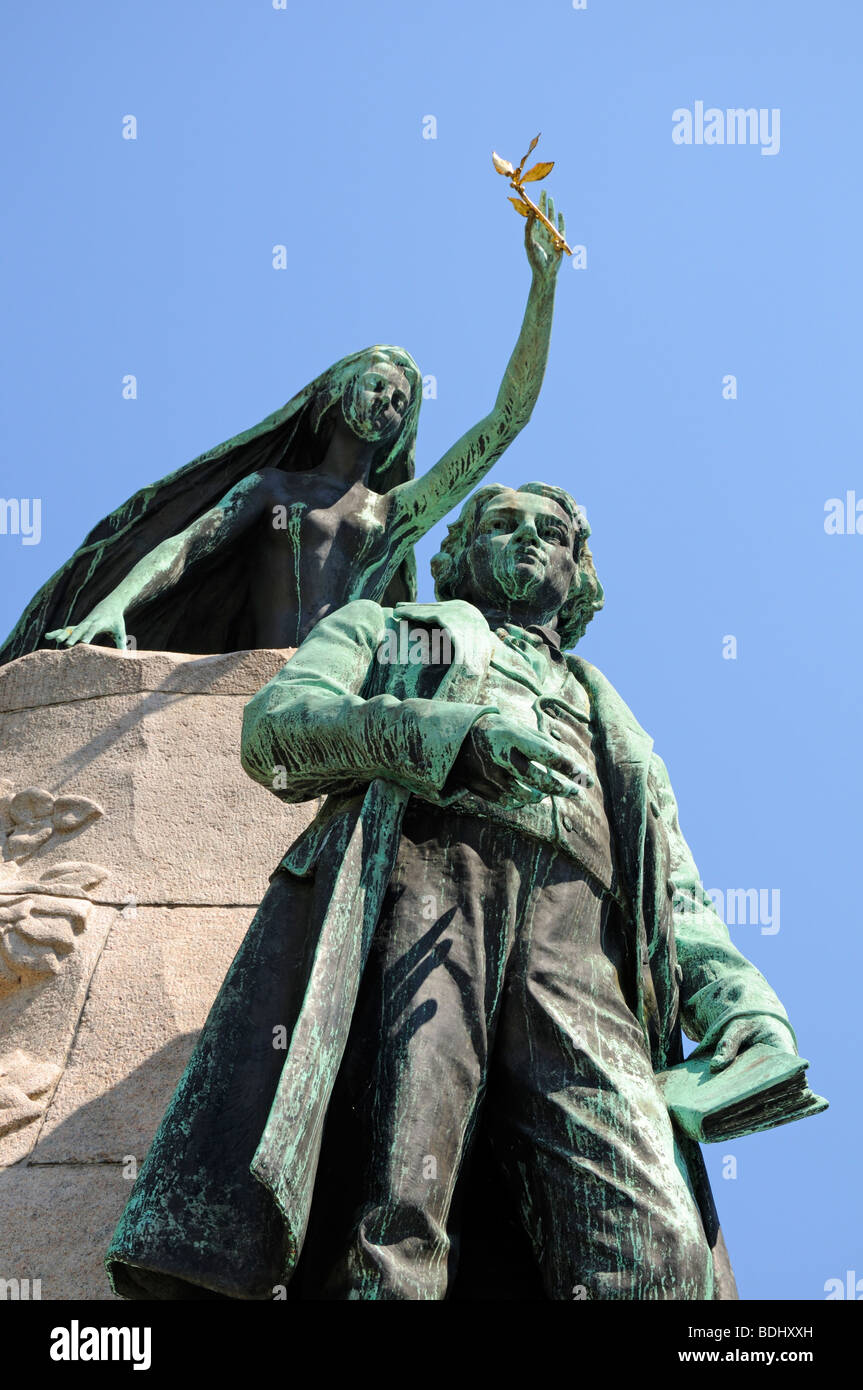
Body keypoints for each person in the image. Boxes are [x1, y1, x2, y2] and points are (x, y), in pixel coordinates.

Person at [105, 481, 800, 1301]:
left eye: (550, 532)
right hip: (426, 886)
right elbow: (277, 730)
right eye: (500, 525)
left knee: (659, 1246)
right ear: (459, 553)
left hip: (582, 944)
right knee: (399, 1209)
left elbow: (677, 895)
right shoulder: (391, 628)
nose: (526, 540)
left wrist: (745, 1009)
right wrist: (449, 735)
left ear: (579, 573)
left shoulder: (615, 722)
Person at [0, 195, 567, 663]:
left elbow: (506, 421)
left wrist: (542, 293)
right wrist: (114, 604)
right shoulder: (273, 489)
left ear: (402, 428)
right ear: (337, 391)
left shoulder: (394, 514)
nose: (387, 402)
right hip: (257, 674)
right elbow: (183, 549)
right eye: (376, 385)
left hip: (340, 685)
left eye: (401, 402)